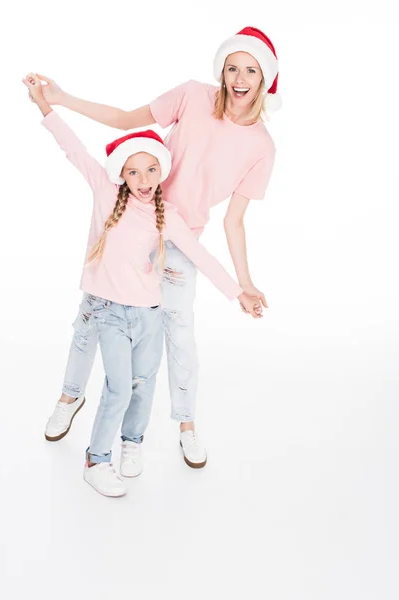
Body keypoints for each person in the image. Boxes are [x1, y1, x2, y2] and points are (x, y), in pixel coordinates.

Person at [37, 26, 280, 468]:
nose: (239, 78)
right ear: (221, 71)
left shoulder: (262, 146)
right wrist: (62, 99)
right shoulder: (192, 95)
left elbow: (234, 220)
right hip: (131, 218)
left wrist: (243, 284)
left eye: (250, 69)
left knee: (177, 332)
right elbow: (128, 120)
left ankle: (186, 425)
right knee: (92, 315)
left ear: (266, 77)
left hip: (180, 240)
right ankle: (70, 397)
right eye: (231, 68)